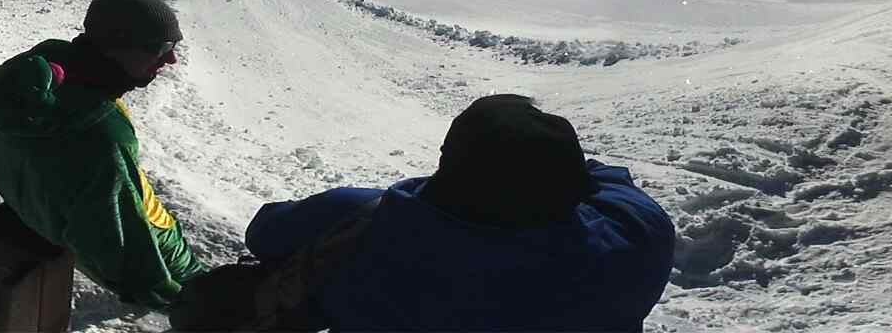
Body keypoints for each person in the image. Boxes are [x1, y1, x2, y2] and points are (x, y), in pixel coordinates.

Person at [229, 95, 677, 331]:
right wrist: (550, 163)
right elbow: (609, 180)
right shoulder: (637, 238)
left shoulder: (361, 221)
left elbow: (265, 232)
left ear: (448, 162)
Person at [0, 0, 202, 312]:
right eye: (160, 47)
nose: (171, 59)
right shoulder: (101, 133)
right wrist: (167, 295)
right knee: (202, 294)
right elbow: (117, 245)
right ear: (116, 46)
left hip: (35, 213)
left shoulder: (29, 79)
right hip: (155, 235)